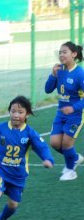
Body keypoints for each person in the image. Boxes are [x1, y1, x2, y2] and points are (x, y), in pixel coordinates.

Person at [44, 41, 84, 181]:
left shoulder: (80, 73)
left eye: (65, 52)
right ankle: (75, 157)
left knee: (67, 143)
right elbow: (48, 89)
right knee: (55, 143)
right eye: (60, 52)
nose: (61, 55)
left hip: (76, 114)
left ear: (74, 54)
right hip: (61, 113)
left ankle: (70, 170)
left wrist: (73, 108)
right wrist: (53, 75)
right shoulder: (59, 70)